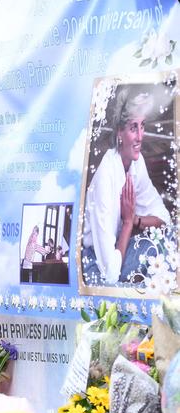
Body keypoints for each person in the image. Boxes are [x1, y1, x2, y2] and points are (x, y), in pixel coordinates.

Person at [82, 88, 170, 285]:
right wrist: (128, 223)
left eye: (142, 126)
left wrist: (136, 219)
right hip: (96, 263)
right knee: (157, 256)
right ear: (120, 133)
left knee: (169, 240)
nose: (140, 136)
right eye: (133, 128)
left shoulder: (136, 164)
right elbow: (110, 274)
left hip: (118, 253)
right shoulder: (106, 175)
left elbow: (164, 219)